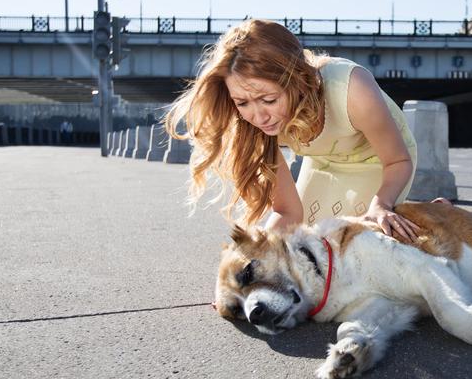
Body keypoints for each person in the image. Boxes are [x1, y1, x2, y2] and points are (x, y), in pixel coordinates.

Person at [164, 18, 421, 241]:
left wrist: (382, 204)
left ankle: (431, 218)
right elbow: (288, 212)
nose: (258, 116)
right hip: (323, 163)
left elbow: (398, 161)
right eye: (242, 102)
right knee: (305, 242)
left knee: (354, 245)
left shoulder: (354, 88)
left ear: (297, 79)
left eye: (269, 99)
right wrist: (251, 259)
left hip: (383, 163)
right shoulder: (252, 122)